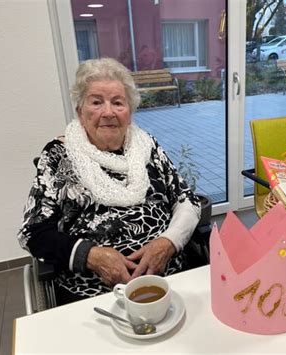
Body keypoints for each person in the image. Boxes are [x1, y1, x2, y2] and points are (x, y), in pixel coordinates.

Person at [18, 58, 200, 305]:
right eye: (96, 102)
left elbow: (186, 199)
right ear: (80, 112)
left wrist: (168, 242)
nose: (108, 112)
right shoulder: (58, 155)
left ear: (129, 111)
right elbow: (33, 232)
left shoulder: (147, 147)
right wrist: (91, 255)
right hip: (95, 295)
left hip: (168, 282)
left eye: (118, 103)